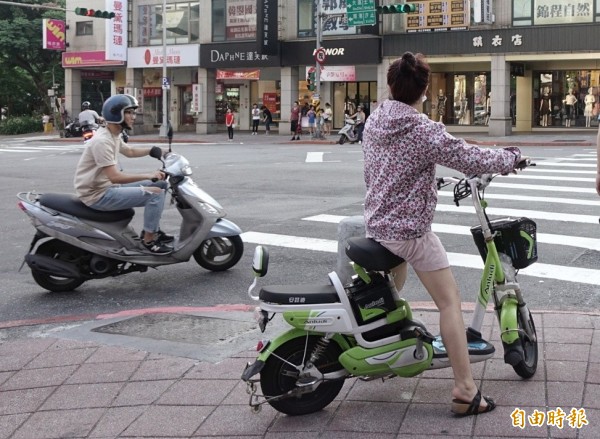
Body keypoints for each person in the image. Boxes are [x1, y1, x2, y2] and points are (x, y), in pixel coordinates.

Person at [362, 52, 526, 416]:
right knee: (450, 303)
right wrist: (511, 158)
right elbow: (472, 159)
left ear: (391, 86)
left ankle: (380, 347)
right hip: (410, 232)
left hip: (377, 224)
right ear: (424, 90)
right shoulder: (423, 130)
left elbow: (387, 169)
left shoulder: (375, 119)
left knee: (390, 295)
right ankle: (465, 389)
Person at [73, 94, 172, 254]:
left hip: (107, 187)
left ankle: (153, 229)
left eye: (133, 112)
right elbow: (115, 176)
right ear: (116, 114)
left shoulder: (113, 133)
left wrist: (156, 150)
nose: (133, 117)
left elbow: (130, 151)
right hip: (97, 195)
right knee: (155, 194)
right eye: (129, 113)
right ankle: (148, 241)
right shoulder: (102, 141)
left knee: (161, 184)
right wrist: (148, 175)